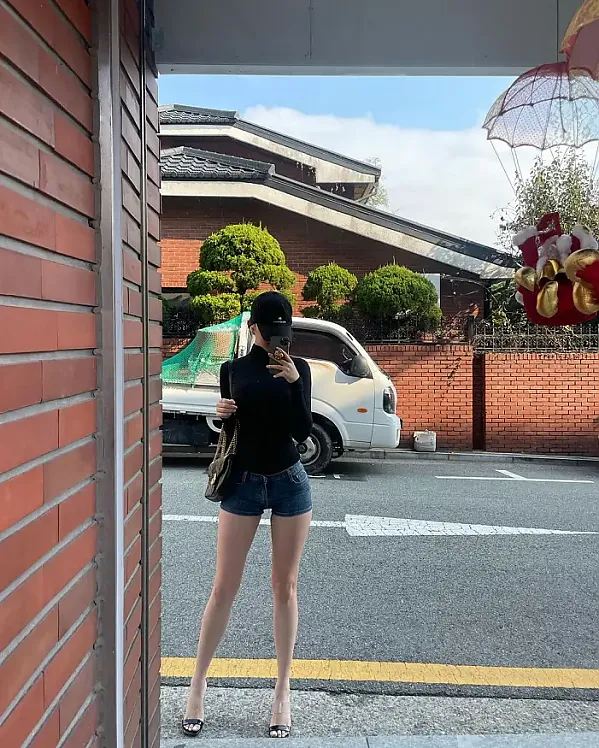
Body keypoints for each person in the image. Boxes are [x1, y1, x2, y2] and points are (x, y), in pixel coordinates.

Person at [182, 291, 313, 739]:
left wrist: (294, 383)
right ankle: (197, 685)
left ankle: (282, 691)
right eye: (269, 330)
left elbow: (301, 431)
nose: (277, 339)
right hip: (242, 482)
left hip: (289, 481)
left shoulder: (300, 368)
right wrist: (223, 413)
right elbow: (234, 429)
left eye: (283, 331)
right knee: (224, 587)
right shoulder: (232, 370)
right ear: (254, 328)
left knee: (285, 586)